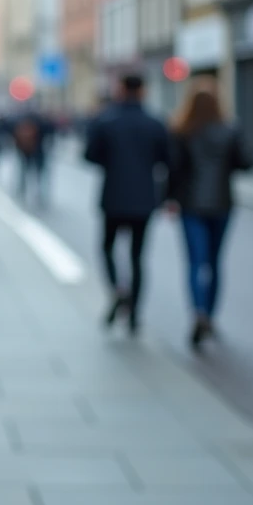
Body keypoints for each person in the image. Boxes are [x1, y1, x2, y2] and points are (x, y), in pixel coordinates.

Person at [166, 81, 251, 350]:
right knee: (214, 262)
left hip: (191, 205)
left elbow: (173, 169)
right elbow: (245, 163)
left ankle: (198, 311)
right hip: (222, 205)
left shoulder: (182, 131)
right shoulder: (229, 130)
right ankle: (211, 316)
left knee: (194, 262)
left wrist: (168, 199)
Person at [83, 73, 170, 334]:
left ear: (121, 89)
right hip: (144, 198)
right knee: (138, 257)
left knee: (107, 247)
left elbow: (90, 155)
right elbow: (166, 159)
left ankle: (117, 290)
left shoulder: (106, 121)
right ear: (143, 90)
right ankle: (134, 315)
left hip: (113, 196)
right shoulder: (155, 122)